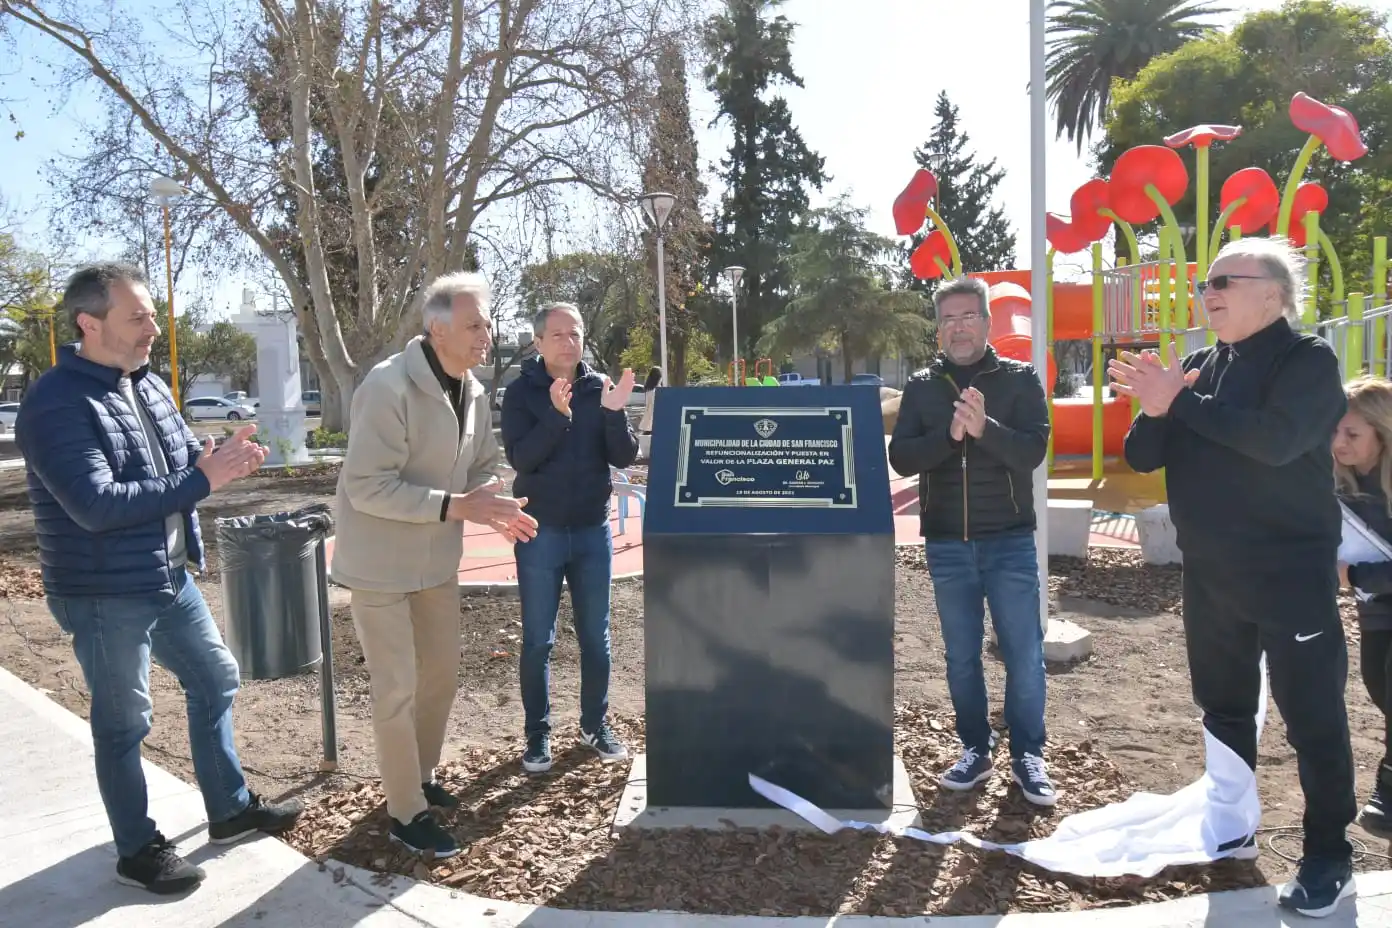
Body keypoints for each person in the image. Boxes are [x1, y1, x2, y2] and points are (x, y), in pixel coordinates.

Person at [16, 263, 302, 895]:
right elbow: (96, 505)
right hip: (102, 591)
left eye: (152, 314)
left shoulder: (146, 384)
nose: (153, 327)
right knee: (125, 722)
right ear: (89, 324)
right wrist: (203, 478)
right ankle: (137, 850)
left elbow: (172, 469)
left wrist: (216, 459)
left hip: (167, 574)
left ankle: (229, 810)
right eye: (138, 317)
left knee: (215, 677)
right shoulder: (55, 402)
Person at [1111, 236, 1356, 919]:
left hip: (1289, 574)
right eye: (1204, 284)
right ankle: (1230, 826)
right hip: (1211, 574)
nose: (1207, 293)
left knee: (1312, 715)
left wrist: (1179, 403)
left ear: (1272, 295)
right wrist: (1156, 408)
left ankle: (1328, 853)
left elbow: (1275, 442)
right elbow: (1142, 454)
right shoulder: (1196, 367)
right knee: (1222, 705)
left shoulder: (1308, 360)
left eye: (1223, 282)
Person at [331, 271, 537, 859]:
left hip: (436, 563)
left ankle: (418, 778)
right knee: (396, 687)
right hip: (379, 565)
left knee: (441, 674)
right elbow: (366, 485)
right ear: (436, 329)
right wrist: (456, 506)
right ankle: (404, 812)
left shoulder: (472, 389)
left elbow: (484, 462)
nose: (486, 335)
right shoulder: (387, 386)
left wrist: (490, 499)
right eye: (474, 325)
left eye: (487, 324)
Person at [887, 275, 1056, 806]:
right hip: (947, 546)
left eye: (967, 317)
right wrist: (949, 436)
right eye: (948, 319)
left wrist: (986, 429)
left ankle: (1028, 754)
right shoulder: (921, 386)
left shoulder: (1020, 380)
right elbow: (902, 458)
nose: (958, 328)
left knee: (1023, 654)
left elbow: (1032, 451)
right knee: (961, 656)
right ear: (938, 329)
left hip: (1009, 541)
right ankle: (976, 749)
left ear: (986, 322)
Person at [500, 302, 639, 774]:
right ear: (538, 342)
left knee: (596, 639)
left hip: (592, 532)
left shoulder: (598, 388)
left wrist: (614, 413)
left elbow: (623, 455)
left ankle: (594, 725)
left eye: (575, 333)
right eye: (557, 335)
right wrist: (557, 416)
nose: (568, 342)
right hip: (539, 531)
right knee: (538, 640)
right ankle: (537, 734)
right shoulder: (521, 393)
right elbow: (522, 459)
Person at [1332, 376, 1392, 839]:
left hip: (1374, 593)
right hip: (1378, 611)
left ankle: (1386, 793)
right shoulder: (1336, 484)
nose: (1339, 443)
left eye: (1352, 433)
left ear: (1382, 433)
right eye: (1335, 431)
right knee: (1380, 687)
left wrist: (1356, 576)